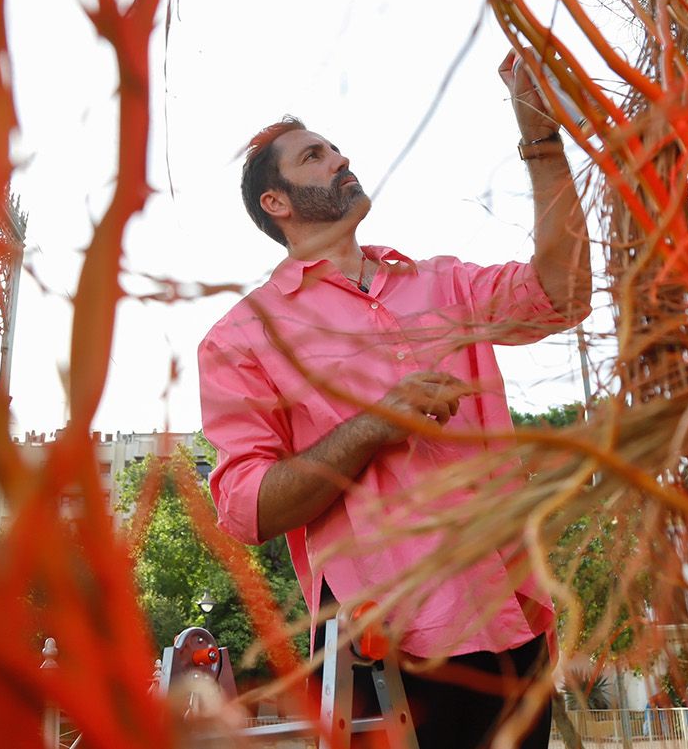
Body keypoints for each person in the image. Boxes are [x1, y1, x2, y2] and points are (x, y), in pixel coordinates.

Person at [199, 53, 591, 749]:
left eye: (336, 147)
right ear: (277, 203)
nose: (340, 158)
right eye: (315, 155)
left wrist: (541, 140)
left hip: (512, 615)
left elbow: (562, 295)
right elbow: (247, 506)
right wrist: (378, 423)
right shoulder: (242, 337)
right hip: (388, 647)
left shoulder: (443, 284)